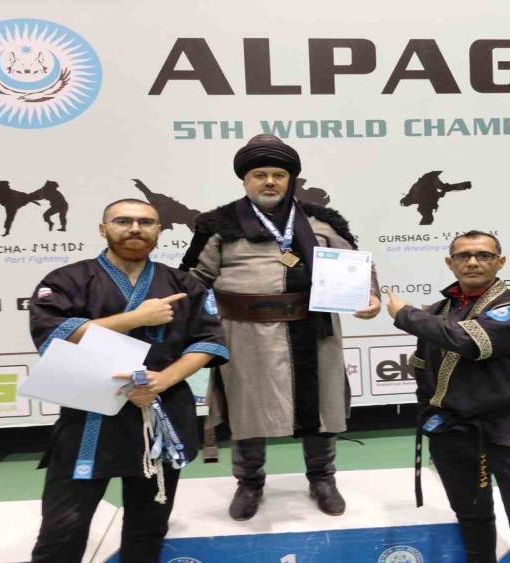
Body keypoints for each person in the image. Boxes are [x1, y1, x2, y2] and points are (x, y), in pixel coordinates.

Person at [179, 134, 380, 521]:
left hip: (314, 330)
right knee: (247, 409)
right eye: (260, 175)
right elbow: (194, 279)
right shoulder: (218, 225)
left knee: (320, 407)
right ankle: (249, 482)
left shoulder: (323, 222)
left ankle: (322, 478)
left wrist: (369, 297)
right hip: (245, 334)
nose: (269, 182)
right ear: (245, 179)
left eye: (278, 174)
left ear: (290, 179)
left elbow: (357, 266)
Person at [28, 198, 228, 562]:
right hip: (89, 418)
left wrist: (163, 380)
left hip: (158, 413)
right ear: (103, 229)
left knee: (148, 526)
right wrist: (136, 318)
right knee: (63, 528)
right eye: (123, 221)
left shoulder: (182, 283)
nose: (135, 228)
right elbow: (55, 335)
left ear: (159, 231)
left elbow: (208, 342)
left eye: (146, 222)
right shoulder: (68, 280)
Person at [383, 230, 510, 563]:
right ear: (450, 263)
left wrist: (405, 314)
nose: (473, 262)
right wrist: (430, 414)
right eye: (463, 255)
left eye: (484, 255)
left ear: (500, 262)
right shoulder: (437, 311)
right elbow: (422, 369)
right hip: (454, 433)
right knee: (472, 520)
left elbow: (469, 341)